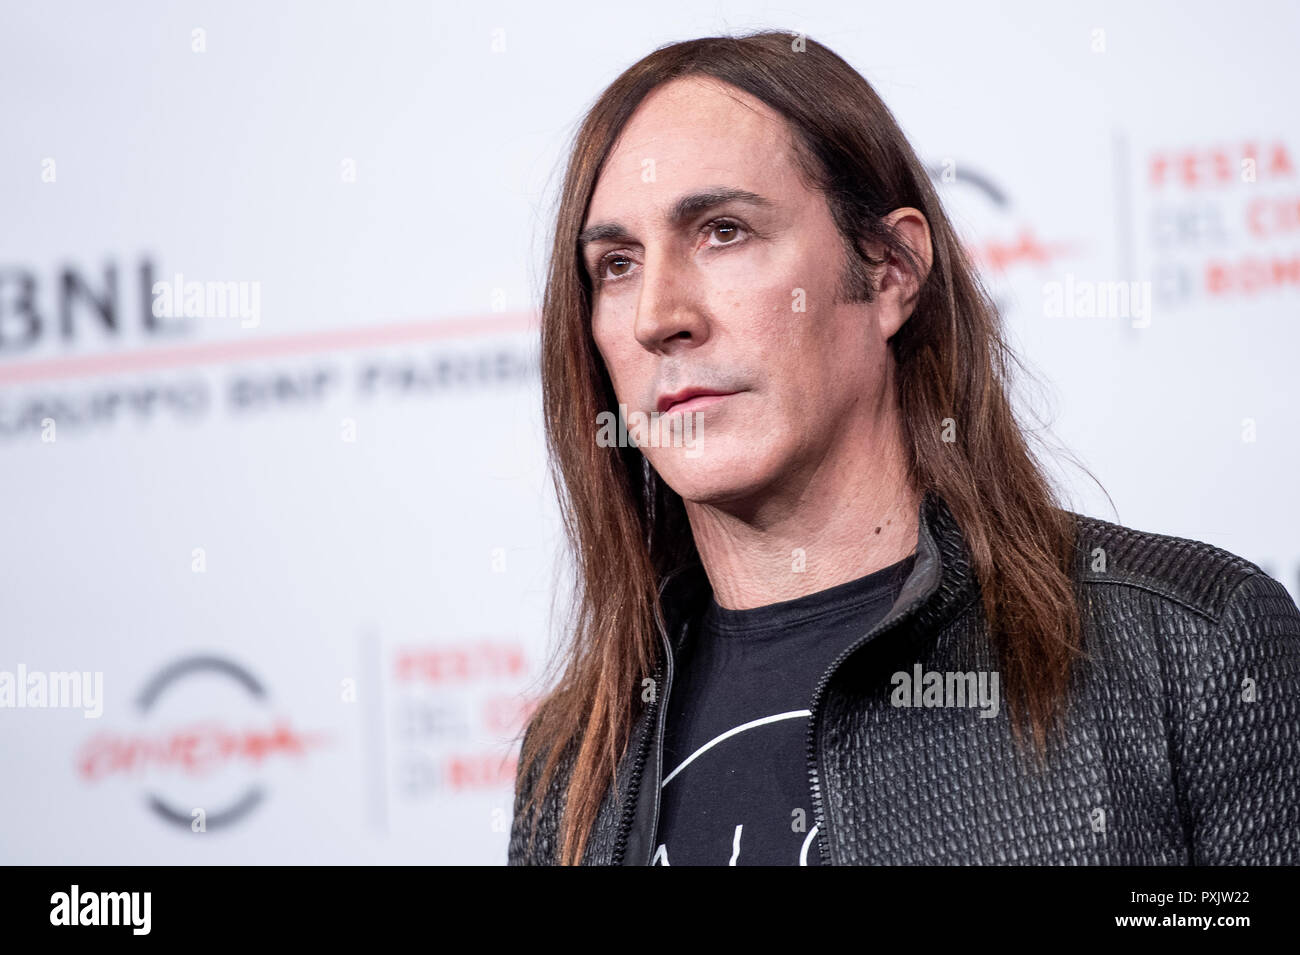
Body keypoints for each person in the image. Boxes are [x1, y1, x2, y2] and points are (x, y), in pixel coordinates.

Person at [508, 31, 1300, 866]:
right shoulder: (569, 770)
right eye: (618, 264)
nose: (657, 314)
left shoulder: (1196, 650)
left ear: (889, 272)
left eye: (724, 231)